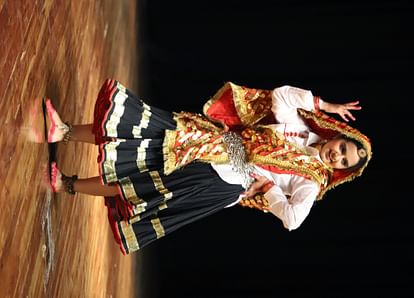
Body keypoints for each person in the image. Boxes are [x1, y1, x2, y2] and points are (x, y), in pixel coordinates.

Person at [45, 79, 372, 255]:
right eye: (342, 148)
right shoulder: (302, 130)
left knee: (143, 182)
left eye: (344, 162)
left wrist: (270, 189)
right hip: (216, 142)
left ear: (342, 171)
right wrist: (323, 105)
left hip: (227, 179)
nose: (337, 157)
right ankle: (65, 132)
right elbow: (283, 97)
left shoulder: (311, 182)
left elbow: (293, 220)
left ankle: (69, 185)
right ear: (338, 136)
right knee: (151, 133)